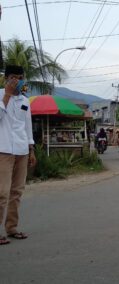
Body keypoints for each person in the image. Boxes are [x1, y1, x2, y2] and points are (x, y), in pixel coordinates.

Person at [0, 65, 36, 245]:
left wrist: (31, 149)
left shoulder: (25, 100)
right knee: (2, 192)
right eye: (13, 77)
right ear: (6, 78)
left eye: (20, 77)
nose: (17, 80)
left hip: (22, 150)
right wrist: (6, 94)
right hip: (4, 150)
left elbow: (27, 126)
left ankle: (11, 228)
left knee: (17, 192)